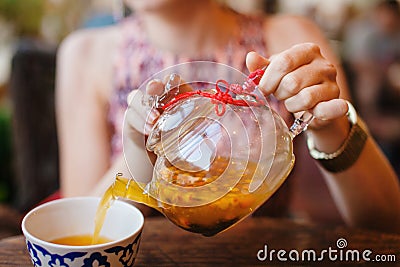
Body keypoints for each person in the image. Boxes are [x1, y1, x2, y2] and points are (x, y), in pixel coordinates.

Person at [56, 0, 400, 233]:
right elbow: (80, 234)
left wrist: (332, 129)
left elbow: (383, 227)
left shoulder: (290, 39)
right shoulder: (84, 55)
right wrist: (137, 153)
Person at [343, 0, 400, 175]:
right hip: (367, 85)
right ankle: (373, 122)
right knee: (369, 80)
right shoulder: (363, 33)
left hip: (387, 86)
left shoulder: (394, 36)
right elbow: (358, 63)